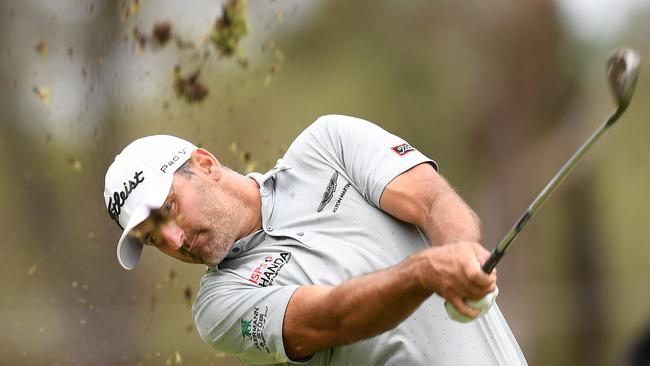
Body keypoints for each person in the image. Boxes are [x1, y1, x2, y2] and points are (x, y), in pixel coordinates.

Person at [104, 114, 527, 365]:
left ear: (206, 164)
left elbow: (432, 199)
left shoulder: (328, 146)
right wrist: (426, 273)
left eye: (169, 209)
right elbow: (332, 318)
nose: (174, 240)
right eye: (152, 238)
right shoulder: (219, 307)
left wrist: (458, 254)